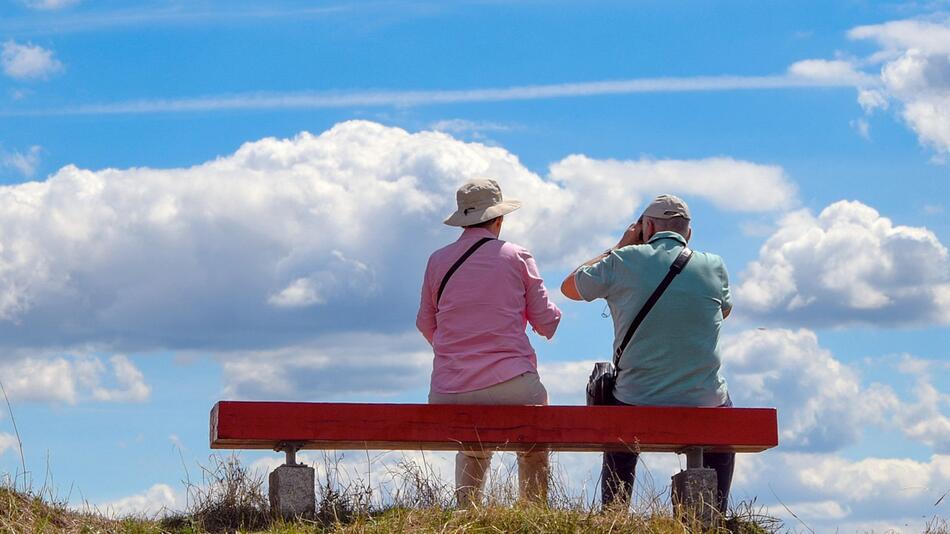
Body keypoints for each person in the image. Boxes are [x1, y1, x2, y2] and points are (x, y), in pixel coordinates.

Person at [559, 194, 734, 514]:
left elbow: (570, 287)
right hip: (703, 399)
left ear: (646, 227)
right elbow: (724, 312)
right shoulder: (714, 265)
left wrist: (620, 245)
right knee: (723, 418)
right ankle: (712, 516)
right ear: (688, 234)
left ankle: (614, 515)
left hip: (636, 398)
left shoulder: (623, 260)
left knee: (617, 412)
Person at [416, 178, 562, 507]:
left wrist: (454, 352)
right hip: (511, 383)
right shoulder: (517, 255)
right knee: (534, 443)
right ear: (499, 219)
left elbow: (425, 322)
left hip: (447, 390)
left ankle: (468, 511)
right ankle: (533, 510)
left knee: (472, 443)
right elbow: (547, 322)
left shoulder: (437, 260)